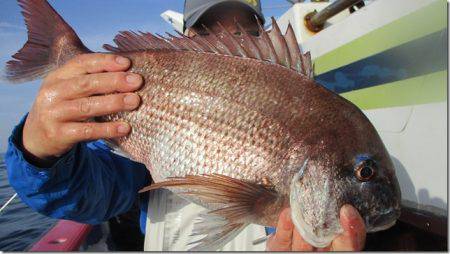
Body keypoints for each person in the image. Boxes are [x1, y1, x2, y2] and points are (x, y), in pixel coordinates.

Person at [5, 0, 365, 251]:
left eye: (245, 29)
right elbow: (89, 191)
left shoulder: (312, 115)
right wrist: (40, 152)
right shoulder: (130, 104)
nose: (229, 42)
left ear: (264, 36)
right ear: (184, 39)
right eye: (209, 29)